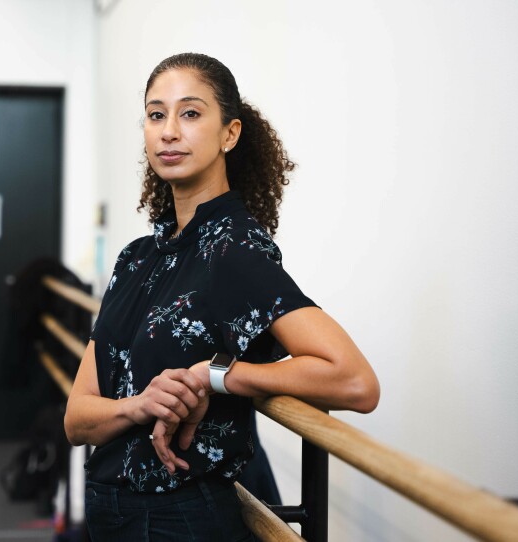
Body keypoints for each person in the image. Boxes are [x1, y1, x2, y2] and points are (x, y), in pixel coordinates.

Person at [64, 52, 380, 541]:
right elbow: (77, 419)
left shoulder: (230, 250)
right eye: (155, 114)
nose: (169, 130)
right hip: (109, 512)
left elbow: (355, 380)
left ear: (229, 134)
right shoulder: (136, 258)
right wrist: (138, 405)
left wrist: (215, 377)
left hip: (179, 519)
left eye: (190, 113)